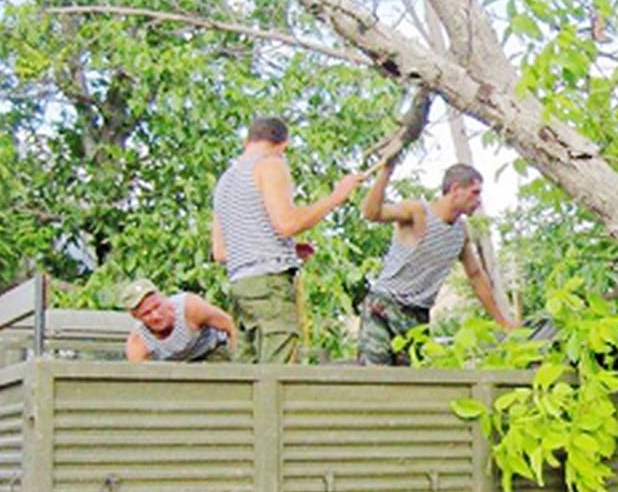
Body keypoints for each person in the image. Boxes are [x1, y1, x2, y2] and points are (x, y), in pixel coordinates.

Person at [212, 115, 362, 363]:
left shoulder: (225, 181)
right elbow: (287, 224)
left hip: (241, 286)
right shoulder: (270, 164)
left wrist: (281, 248)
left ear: (248, 140)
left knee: (248, 374)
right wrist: (337, 196)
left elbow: (220, 252)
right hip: (269, 283)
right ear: (283, 145)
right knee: (277, 373)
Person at [357, 161, 516, 365]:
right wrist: (386, 171)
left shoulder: (461, 232)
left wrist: (502, 321)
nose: (478, 200)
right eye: (475, 192)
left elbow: (476, 277)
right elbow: (371, 213)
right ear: (456, 189)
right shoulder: (417, 212)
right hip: (384, 307)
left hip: (418, 317)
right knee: (374, 379)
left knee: (410, 386)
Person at [120, 278, 236, 362]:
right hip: (178, 367)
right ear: (136, 317)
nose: (155, 316)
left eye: (157, 306)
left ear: (163, 298)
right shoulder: (139, 341)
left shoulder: (190, 307)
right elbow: (138, 377)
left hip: (213, 350)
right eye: (146, 313)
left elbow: (231, 326)